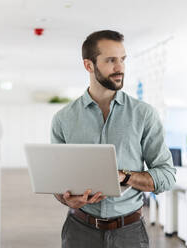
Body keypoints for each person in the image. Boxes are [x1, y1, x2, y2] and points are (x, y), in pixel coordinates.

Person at [51, 30, 176, 248]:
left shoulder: (144, 114)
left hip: (129, 233)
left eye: (122, 60)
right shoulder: (63, 119)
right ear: (89, 65)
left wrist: (124, 176)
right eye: (111, 60)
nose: (120, 68)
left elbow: (166, 176)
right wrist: (66, 198)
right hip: (79, 231)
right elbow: (56, 182)